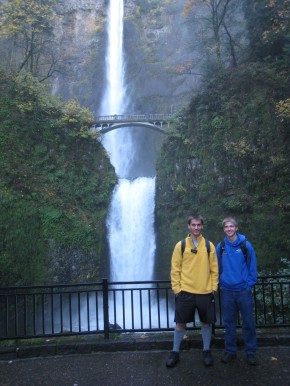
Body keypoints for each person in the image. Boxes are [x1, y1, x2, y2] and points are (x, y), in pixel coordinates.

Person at [166, 214, 219, 368]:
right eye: (193, 225)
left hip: (205, 292)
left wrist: (213, 287)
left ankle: (207, 350)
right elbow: (175, 269)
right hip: (185, 292)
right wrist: (177, 289)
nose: (196, 227)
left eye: (198, 225)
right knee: (180, 323)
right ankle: (175, 352)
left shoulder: (209, 246)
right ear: (189, 226)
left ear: (202, 226)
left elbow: (214, 269)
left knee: (206, 323)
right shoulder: (180, 245)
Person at [216, 217, 258, 366]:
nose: (229, 229)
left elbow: (252, 266)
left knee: (248, 322)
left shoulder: (246, 245)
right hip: (227, 290)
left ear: (236, 228)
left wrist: (249, 285)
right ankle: (230, 351)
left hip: (242, 290)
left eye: (231, 226)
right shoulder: (220, 247)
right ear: (224, 229)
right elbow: (217, 268)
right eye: (226, 227)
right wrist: (220, 282)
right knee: (229, 323)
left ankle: (251, 352)